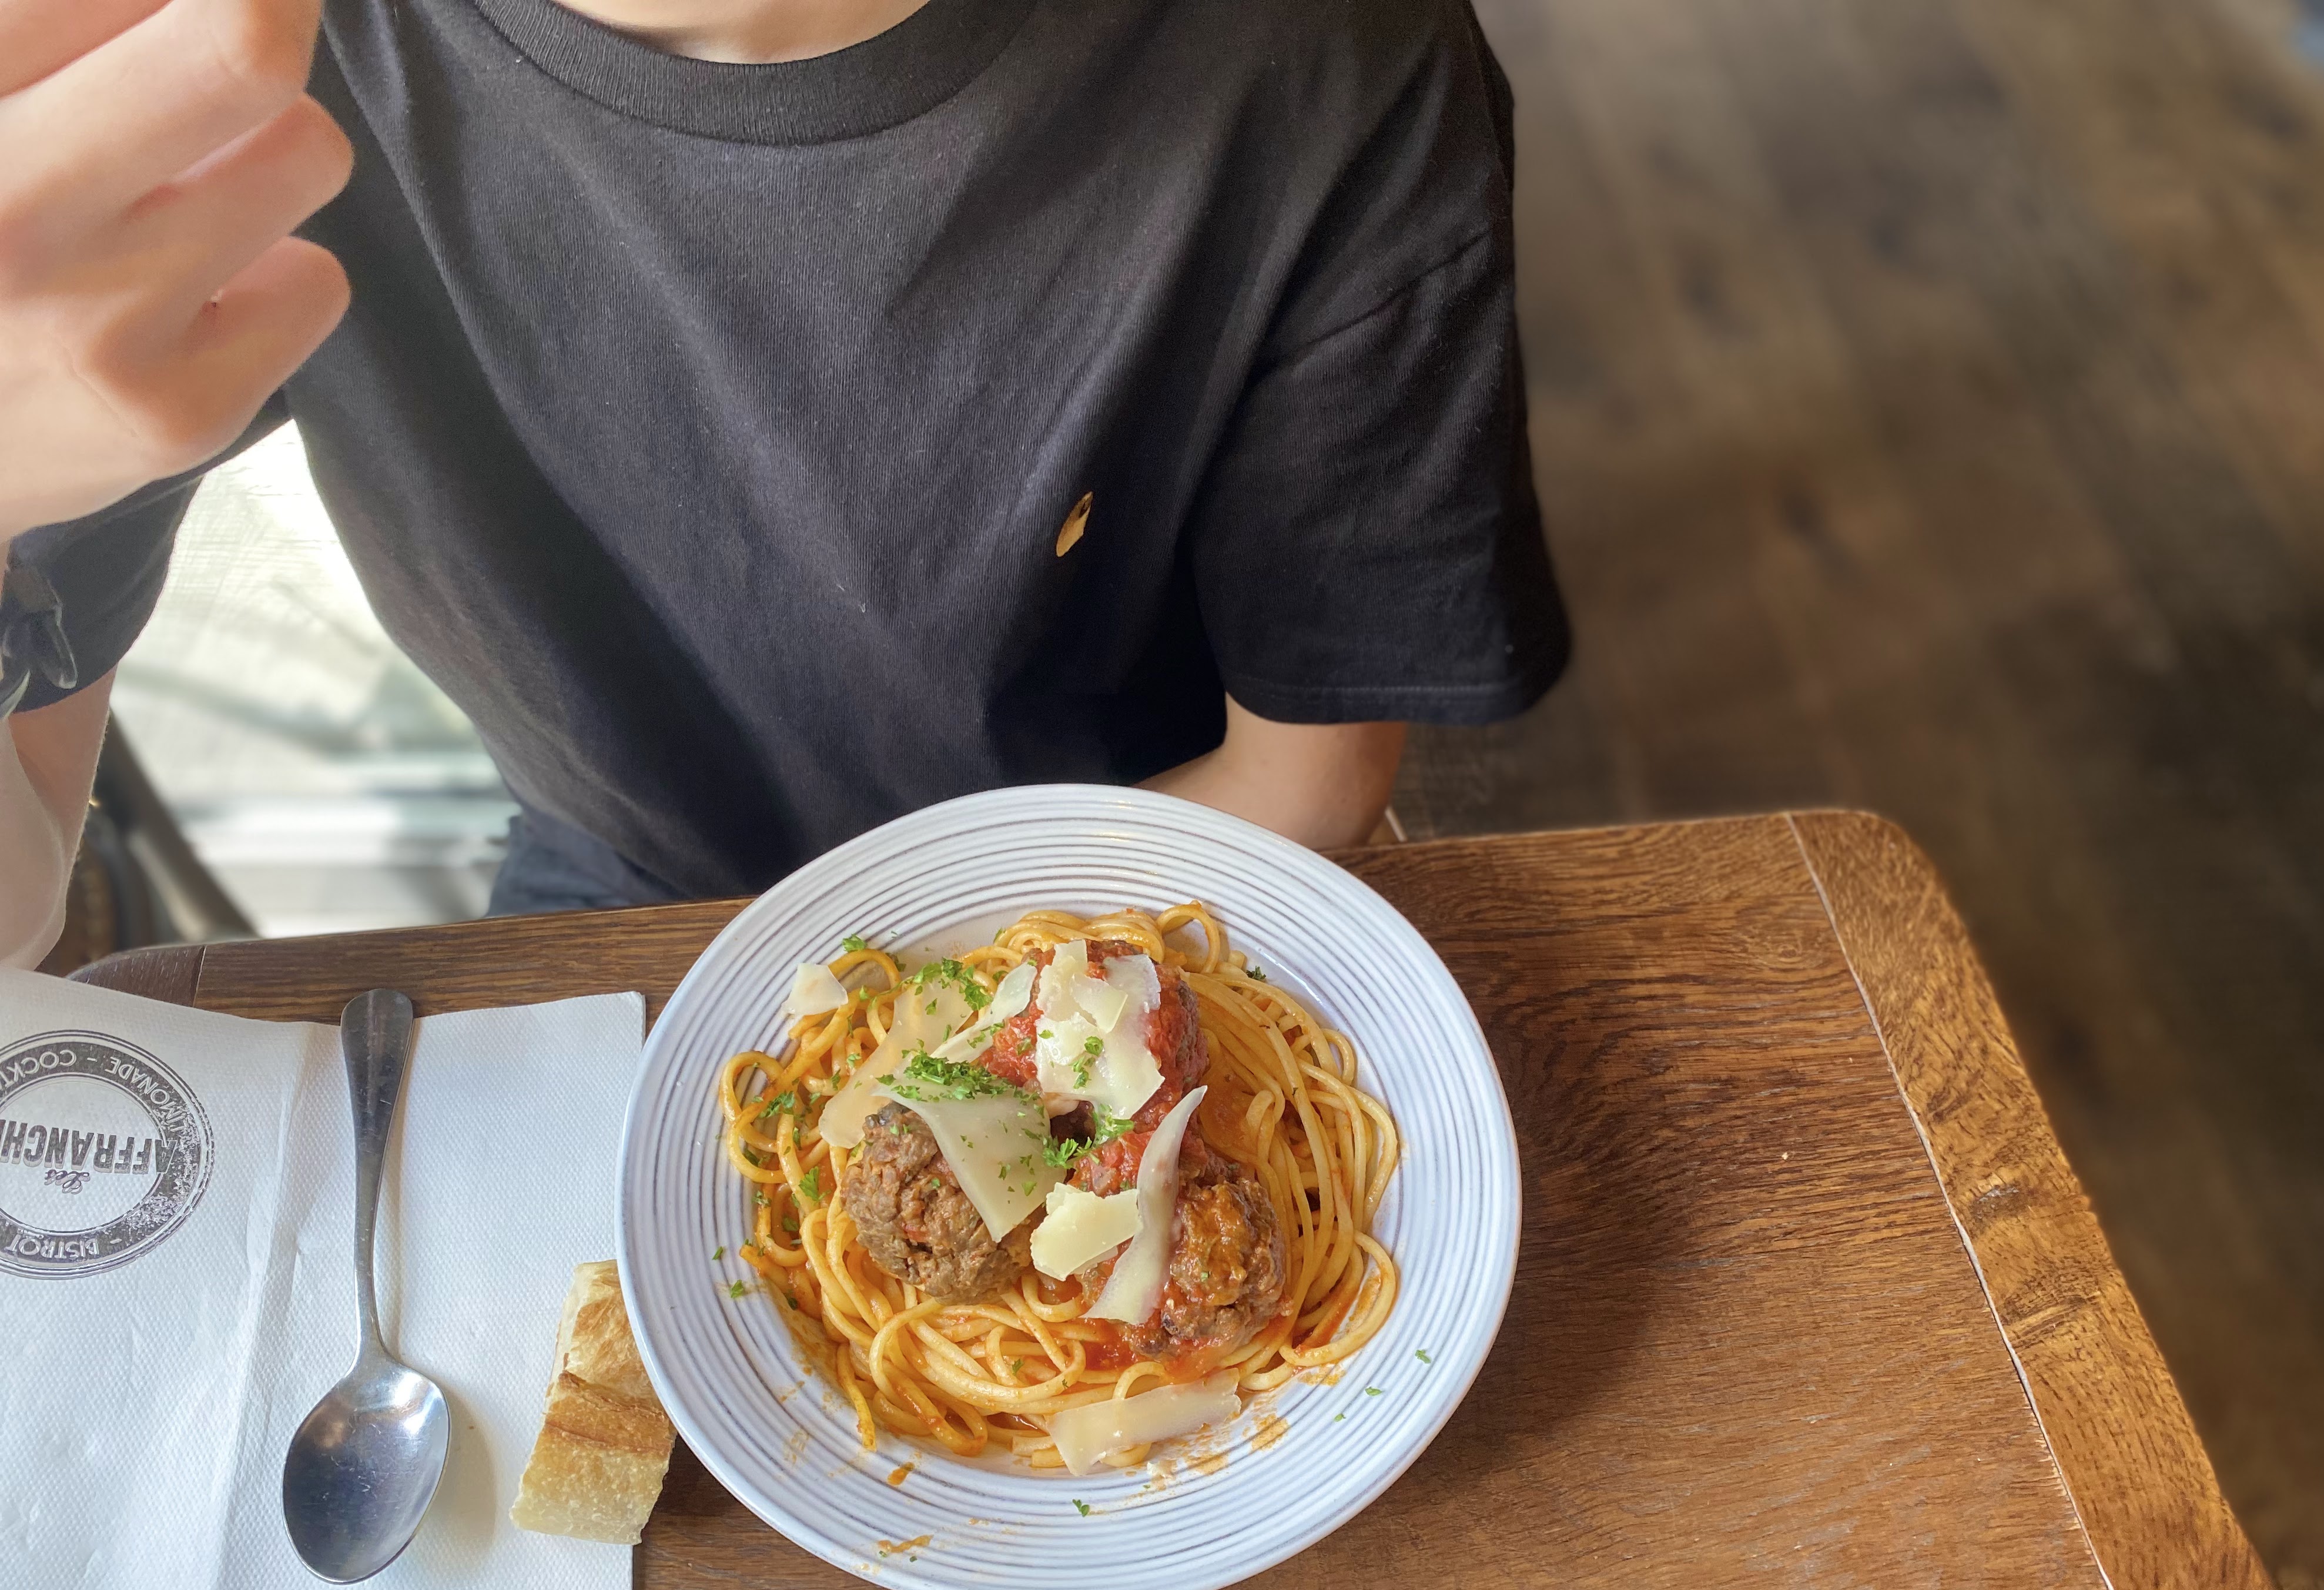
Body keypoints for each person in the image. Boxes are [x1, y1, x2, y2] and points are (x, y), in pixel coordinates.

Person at [0, 0, 1568, 969]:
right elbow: (25, 893)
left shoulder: (1326, 62)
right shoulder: (179, 75)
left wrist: (858, 1033)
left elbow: (1303, 784)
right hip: (622, 875)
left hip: (1139, 853)